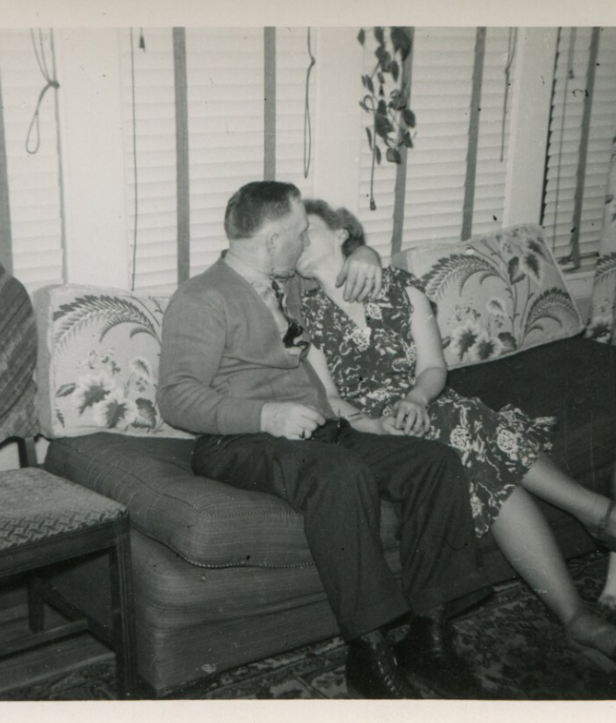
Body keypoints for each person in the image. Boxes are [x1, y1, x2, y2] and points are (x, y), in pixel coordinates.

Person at [293, 198, 616, 665]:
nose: (297, 240)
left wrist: (418, 399)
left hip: (426, 404)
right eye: (291, 235)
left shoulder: (402, 288)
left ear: (341, 233)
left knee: (483, 468)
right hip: (375, 431)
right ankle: (604, 518)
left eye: (307, 229)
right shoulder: (304, 320)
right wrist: (373, 422)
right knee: (466, 427)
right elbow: (329, 400)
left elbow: (433, 368)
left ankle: (576, 618)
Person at [157, 181, 494, 699]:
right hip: (240, 441)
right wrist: (264, 414)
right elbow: (177, 398)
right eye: (297, 232)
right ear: (271, 240)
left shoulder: (287, 283)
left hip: (321, 429)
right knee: (340, 474)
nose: (304, 241)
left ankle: (429, 634)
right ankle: (369, 648)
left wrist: (364, 250)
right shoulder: (202, 297)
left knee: (433, 461)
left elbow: (349, 262)